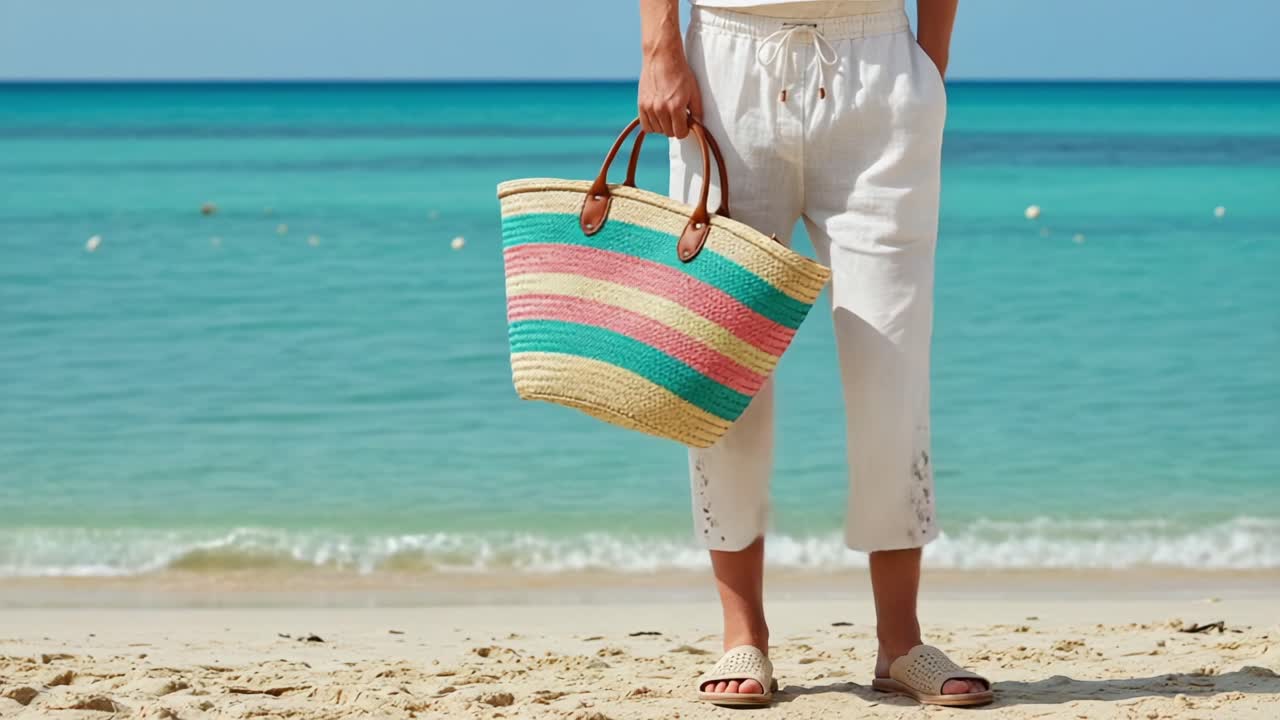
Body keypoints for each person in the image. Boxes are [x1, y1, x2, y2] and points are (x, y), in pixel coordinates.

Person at [637, 0, 993, 708]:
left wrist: (930, 62)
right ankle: (744, 632)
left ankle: (901, 643)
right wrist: (659, 48)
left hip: (880, 71)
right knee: (723, 365)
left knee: (891, 361)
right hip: (725, 70)